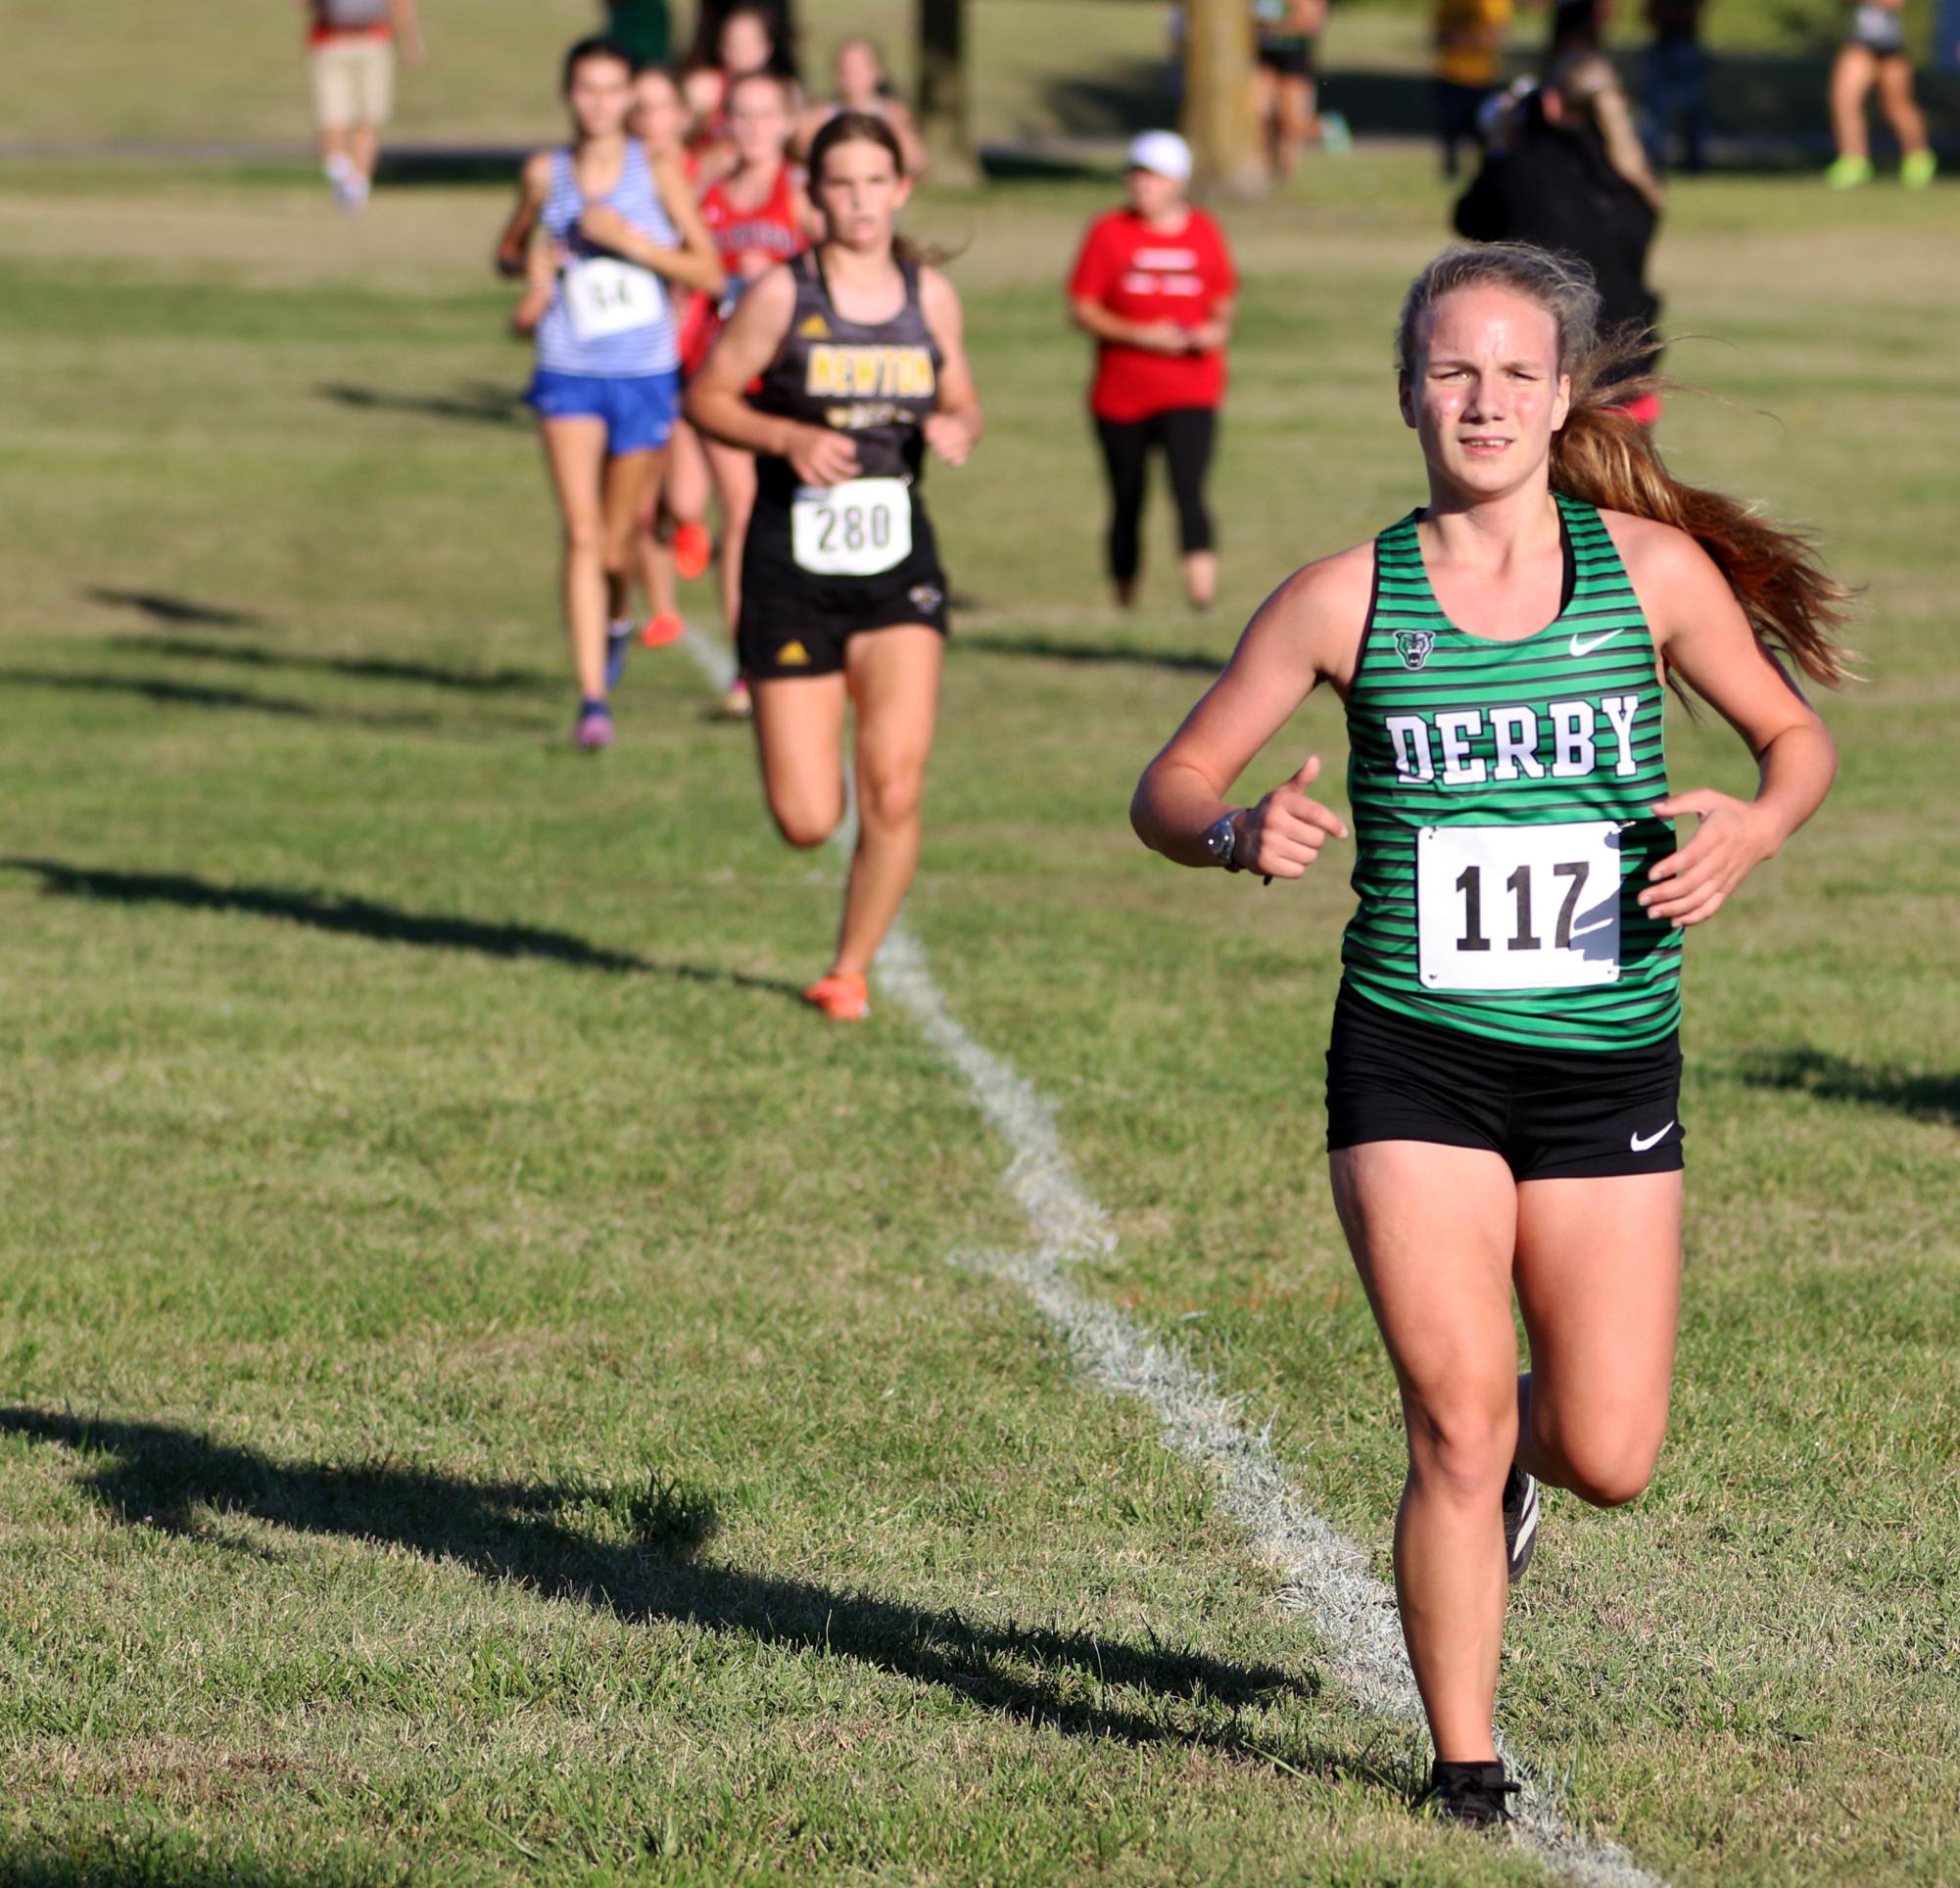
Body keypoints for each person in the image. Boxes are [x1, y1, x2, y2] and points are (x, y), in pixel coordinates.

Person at [1130, 241, 1847, 1828]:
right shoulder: (1342, 597)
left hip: (1607, 1056)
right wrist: (1234, 828)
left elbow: (1795, 738)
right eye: (1453, 369)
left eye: (1516, 371)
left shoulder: (1650, 576)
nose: (1484, 398)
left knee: (1611, 1447)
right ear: (1407, 392)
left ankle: (1521, 1465)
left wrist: (1753, 826)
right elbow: (1164, 788)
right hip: (1414, 1053)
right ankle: (1465, 1763)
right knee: (1449, 1411)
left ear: (1563, 393)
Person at [686, 113, 981, 1020]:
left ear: (900, 189)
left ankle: (847, 969)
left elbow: (963, 396)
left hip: (898, 567)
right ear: (814, 196)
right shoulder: (782, 294)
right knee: (808, 816)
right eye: (839, 185)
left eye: (874, 183)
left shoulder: (927, 295)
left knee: (893, 784)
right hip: (792, 568)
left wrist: (952, 425)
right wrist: (785, 435)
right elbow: (705, 395)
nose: (858, 202)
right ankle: (790, 730)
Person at [496, 37, 725, 749]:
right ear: (568, 95)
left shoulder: (655, 169)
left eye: (611, 89)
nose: (598, 103)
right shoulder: (547, 173)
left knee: (622, 542)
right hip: (568, 368)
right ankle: (593, 700)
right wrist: (529, 271)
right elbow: (507, 251)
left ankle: (618, 616)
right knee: (581, 530)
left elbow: (710, 272)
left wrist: (633, 244)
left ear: (630, 97)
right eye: (585, 89)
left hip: (642, 374)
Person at [687, 71, 823, 715]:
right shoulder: (708, 195)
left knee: (793, 516)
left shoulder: (798, 196)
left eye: (765, 114)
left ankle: (809, 645)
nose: (752, 126)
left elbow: (834, 272)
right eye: (740, 114)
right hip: (724, 377)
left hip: (790, 378)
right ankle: (749, 663)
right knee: (739, 509)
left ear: (787, 120)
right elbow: (685, 273)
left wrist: (771, 281)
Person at [1067, 131, 1237, 613]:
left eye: (1154, 176)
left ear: (1178, 182)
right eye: (1136, 174)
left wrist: (1213, 332)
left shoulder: (1204, 231)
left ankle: (1200, 598)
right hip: (1121, 394)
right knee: (1127, 498)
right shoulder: (1109, 232)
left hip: (1191, 388)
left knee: (1189, 488)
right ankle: (1125, 593)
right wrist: (1142, 335)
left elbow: (1223, 304)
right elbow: (1083, 308)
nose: (1142, 185)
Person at [1455, 55, 1666, 418]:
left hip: (1554, 380)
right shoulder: (1635, 178)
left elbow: (1471, 220)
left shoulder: (1522, 168)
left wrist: (1500, 144)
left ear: (1552, 104)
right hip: (1629, 380)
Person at [301, 0, 423, 213]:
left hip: (371, 40)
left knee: (368, 119)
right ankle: (341, 176)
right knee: (334, 116)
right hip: (333, 40)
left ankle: (357, 188)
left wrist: (410, 39)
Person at [1827, 0, 1938, 189]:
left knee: (1896, 106)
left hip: (1891, 47)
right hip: (1860, 42)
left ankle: (1918, 157)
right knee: (1844, 100)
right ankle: (1854, 161)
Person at [796, 37, 928, 178]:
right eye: (846, 68)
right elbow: (801, 155)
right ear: (836, 74)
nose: (854, 76)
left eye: (861, 68)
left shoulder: (894, 115)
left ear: (878, 72)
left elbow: (916, 163)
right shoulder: (819, 116)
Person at [1432, 0, 1512, 178]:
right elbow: (1439, 35)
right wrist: (1474, 38)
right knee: (1450, 128)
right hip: (1450, 73)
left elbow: (1497, 36)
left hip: (1482, 76)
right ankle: (1450, 169)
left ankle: (1486, 171)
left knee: (1483, 129)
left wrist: (1463, 39)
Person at [1253, 0, 1329, 181]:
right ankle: (1264, 172)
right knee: (1259, 115)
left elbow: (1311, 22)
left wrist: (1275, 24)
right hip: (1263, 55)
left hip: (1294, 57)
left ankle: (1287, 175)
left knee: (1291, 123)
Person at [1642, 0, 1709, 173]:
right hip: (1665, 42)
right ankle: (1653, 158)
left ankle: (1695, 160)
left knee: (1692, 106)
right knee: (1656, 108)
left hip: (1685, 44)